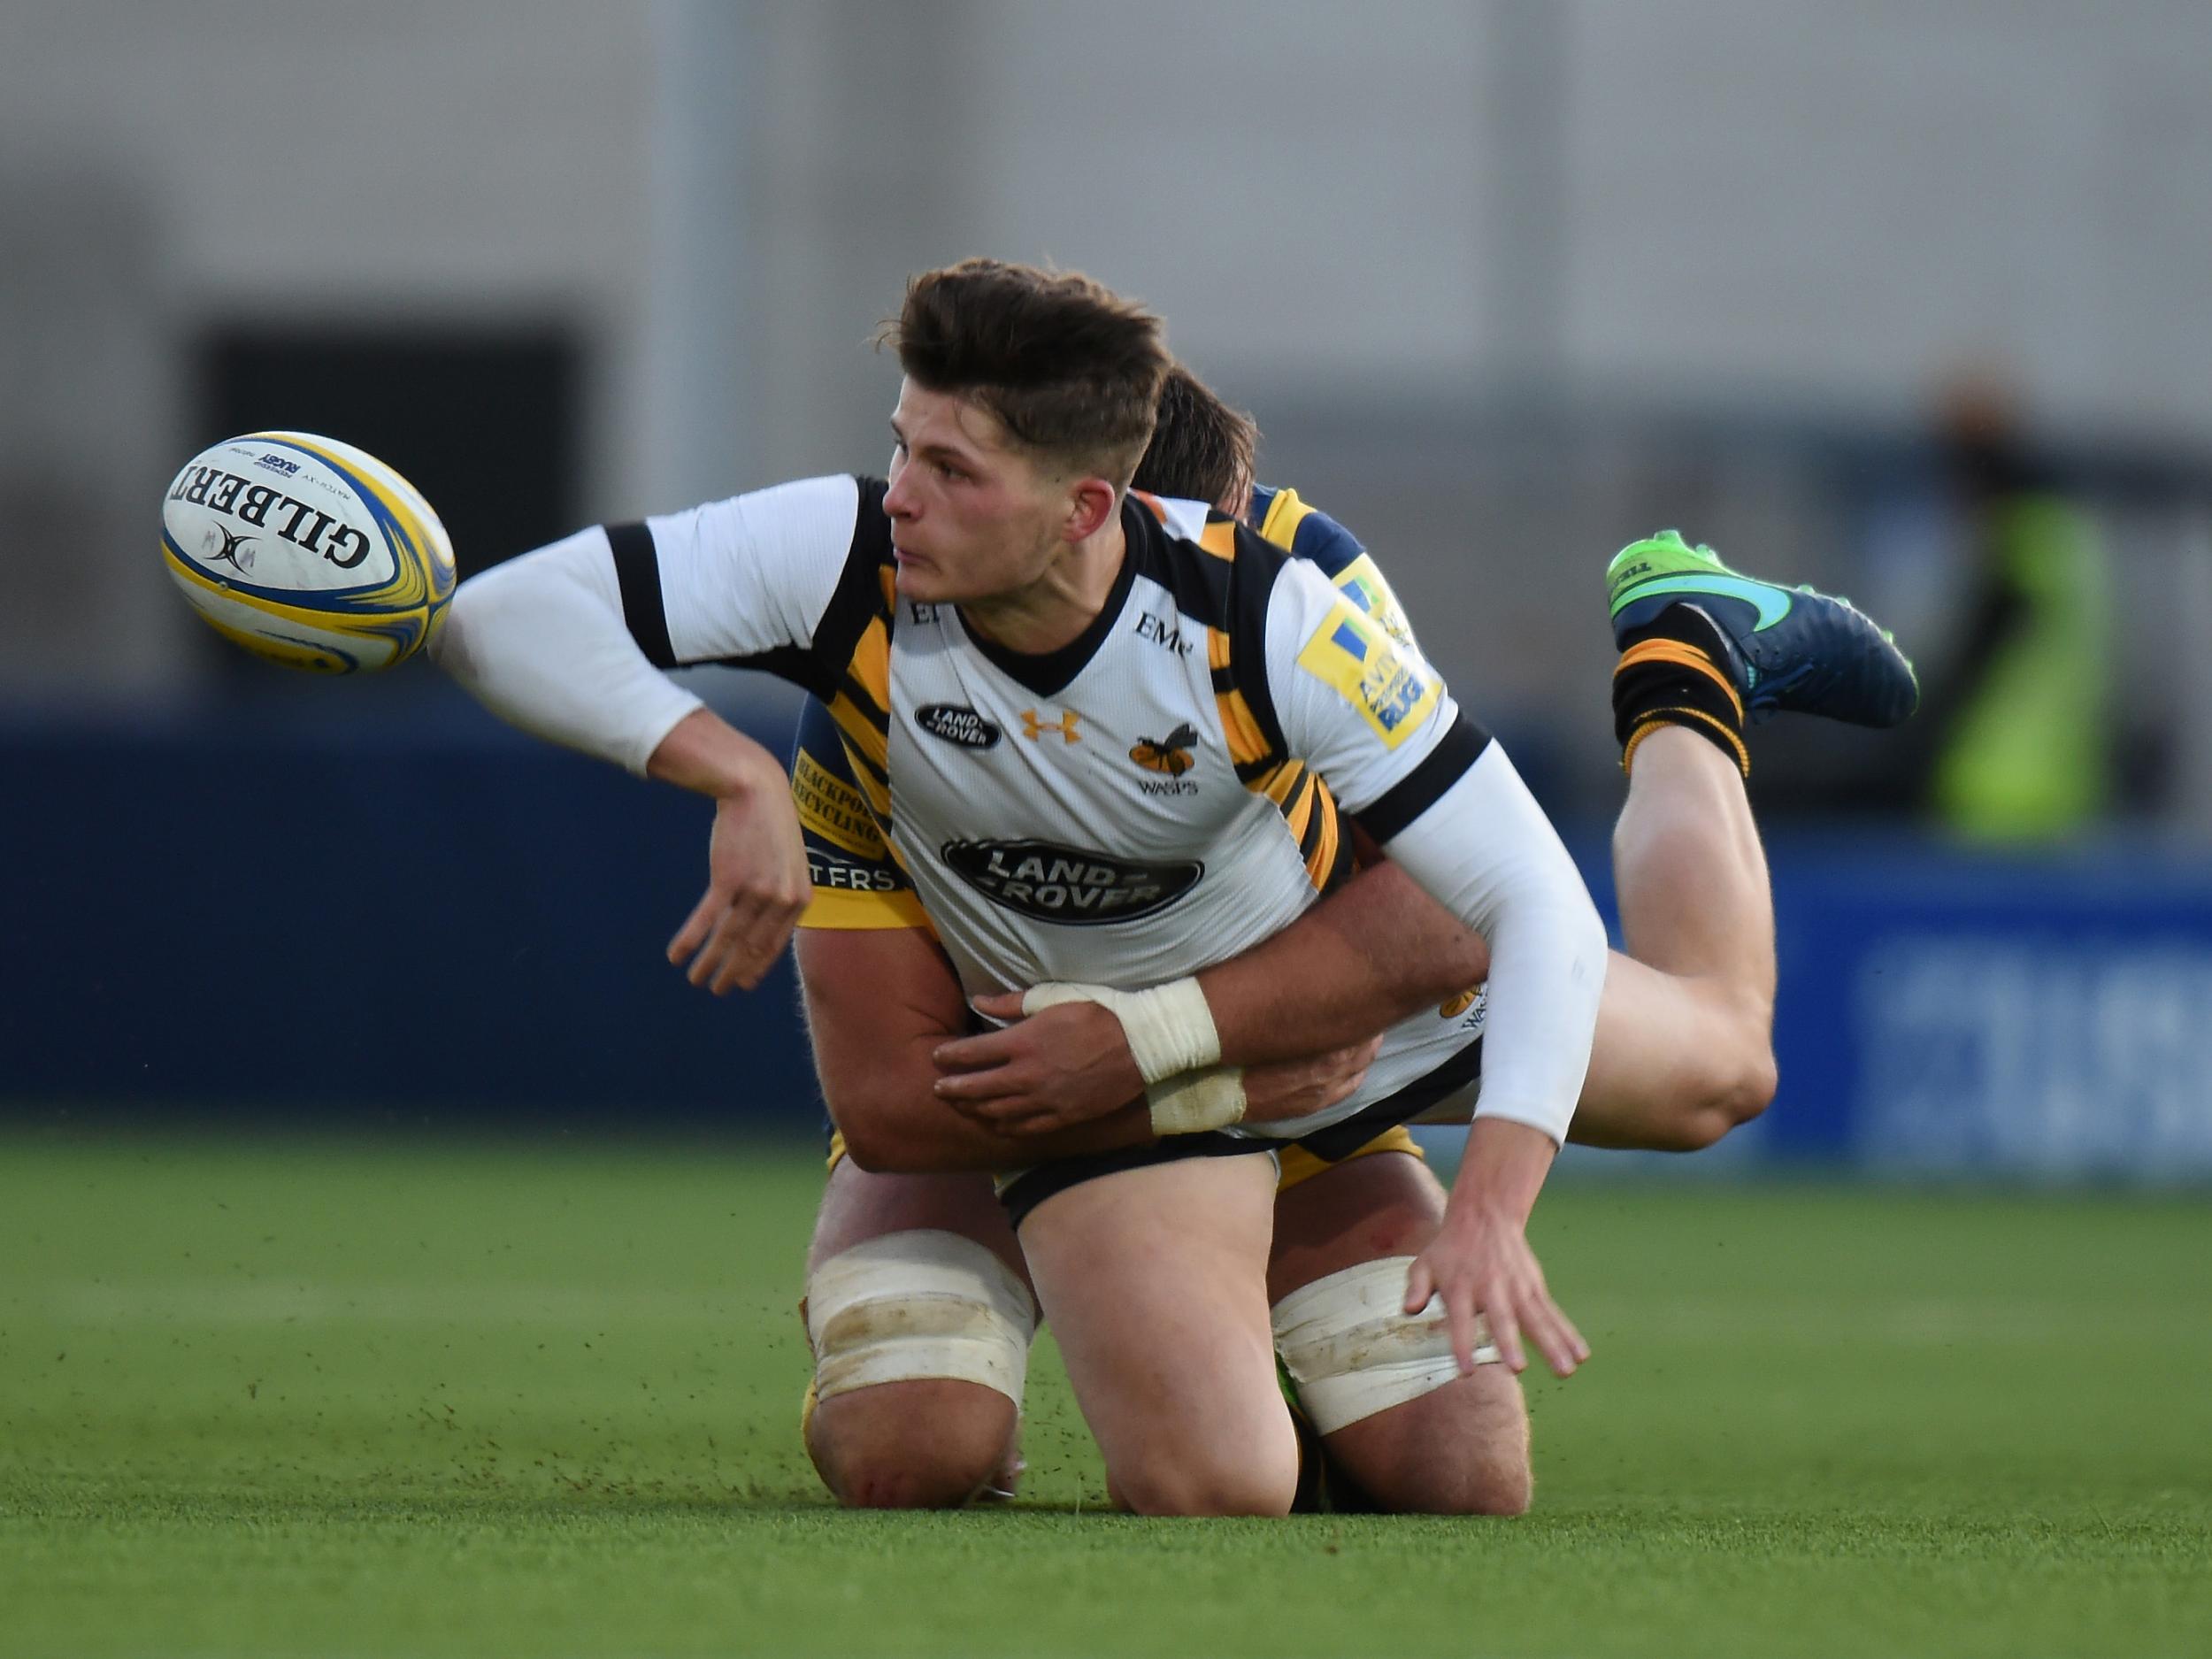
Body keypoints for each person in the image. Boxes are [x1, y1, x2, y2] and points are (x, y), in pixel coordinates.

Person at [434, 260, 1916, 1517]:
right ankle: (1181, 1303)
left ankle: (1681, 662)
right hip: (1084, 1054)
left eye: (950, 469)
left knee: (1716, 1079)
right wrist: (726, 770)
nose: (905, 498)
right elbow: (894, 1086)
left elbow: (1481, 901)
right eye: (909, 453)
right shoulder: (855, 592)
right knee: (976, 1452)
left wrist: (1488, 1204)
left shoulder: (1289, 606)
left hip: (1300, 1015)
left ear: (1097, 510)